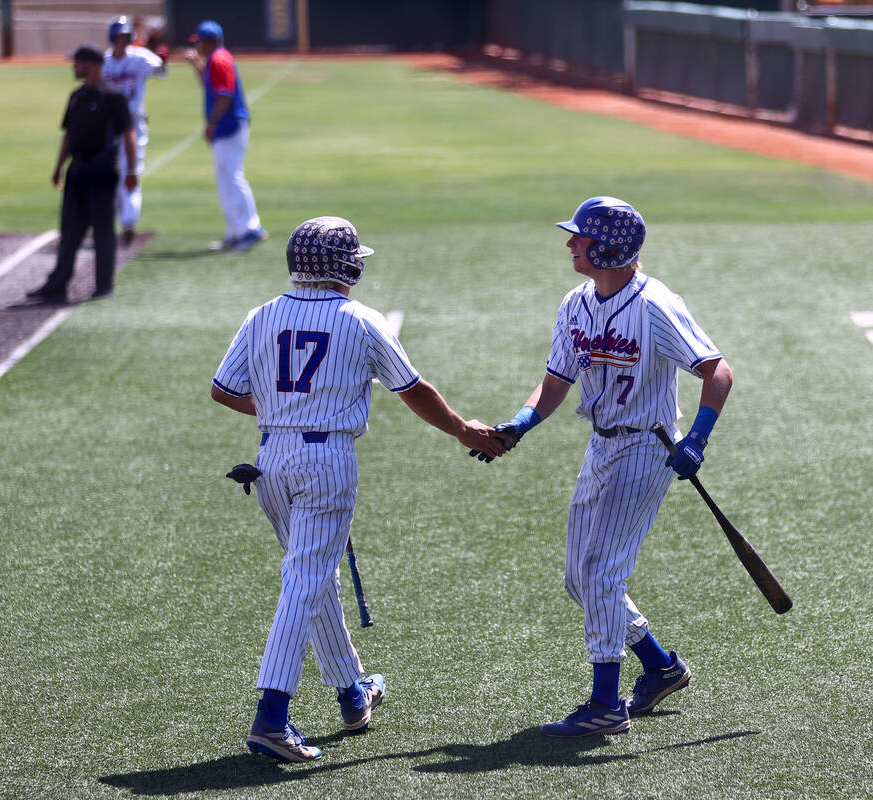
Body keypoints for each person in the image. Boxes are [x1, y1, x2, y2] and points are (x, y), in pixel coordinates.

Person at [211, 216, 505, 762]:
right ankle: (271, 718)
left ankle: (351, 691)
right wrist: (466, 430)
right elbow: (413, 390)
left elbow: (224, 390)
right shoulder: (360, 320)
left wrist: (280, 411)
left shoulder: (261, 316)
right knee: (304, 580)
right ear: (344, 267)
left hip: (270, 459)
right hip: (326, 462)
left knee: (313, 577)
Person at [483, 196, 733, 737]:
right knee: (580, 579)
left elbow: (718, 371)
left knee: (602, 574)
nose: (570, 242)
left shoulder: (655, 306)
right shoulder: (576, 301)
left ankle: (605, 704)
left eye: (580, 236)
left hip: (647, 447)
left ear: (608, 246)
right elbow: (556, 380)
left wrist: (698, 439)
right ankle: (661, 665)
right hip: (600, 446)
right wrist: (520, 424)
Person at [27, 45, 136, 304]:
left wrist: (131, 170)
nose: (74, 67)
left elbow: (128, 134)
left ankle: (103, 284)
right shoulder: (76, 96)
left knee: (102, 231)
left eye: (77, 62)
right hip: (77, 171)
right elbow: (68, 135)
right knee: (70, 230)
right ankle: (58, 283)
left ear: (92, 65)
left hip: (101, 172)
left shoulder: (112, 97)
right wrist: (58, 168)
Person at [183, 20, 267, 252]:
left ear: (207, 41)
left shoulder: (219, 60)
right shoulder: (216, 58)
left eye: (199, 41)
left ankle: (251, 229)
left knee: (232, 178)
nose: (197, 45)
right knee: (226, 180)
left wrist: (211, 123)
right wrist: (197, 66)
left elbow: (224, 96)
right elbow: (212, 87)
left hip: (229, 126)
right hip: (227, 126)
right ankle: (235, 232)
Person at [103, 15, 167, 246]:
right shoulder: (105, 63)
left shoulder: (139, 58)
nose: (123, 41)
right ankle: (117, 220)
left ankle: (129, 222)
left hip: (133, 124)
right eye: (119, 37)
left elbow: (160, 68)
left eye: (126, 37)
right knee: (112, 174)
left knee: (131, 173)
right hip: (109, 127)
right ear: (112, 38)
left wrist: (163, 58)